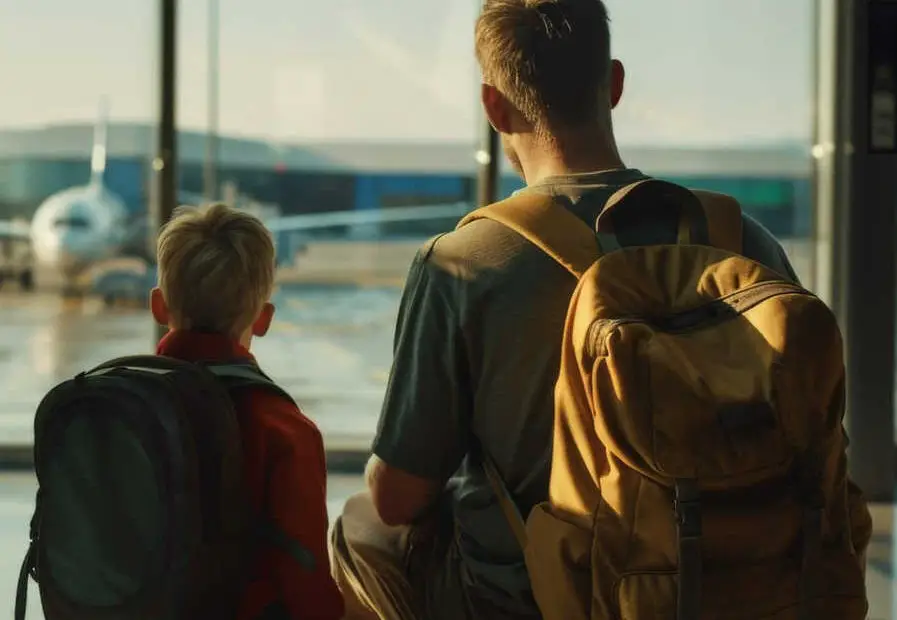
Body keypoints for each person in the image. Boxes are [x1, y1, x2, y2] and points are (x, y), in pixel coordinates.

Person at [330, 1, 837, 619]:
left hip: (541, 599)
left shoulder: (462, 263)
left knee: (361, 524)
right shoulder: (738, 239)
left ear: (494, 106)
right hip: (752, 587)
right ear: (615, 83)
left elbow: (400, 497)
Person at [153, 203, 345, 620]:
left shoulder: (118, 407)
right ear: (263, 319)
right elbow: (306, 589)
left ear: (159, 307)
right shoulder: (282, 428)